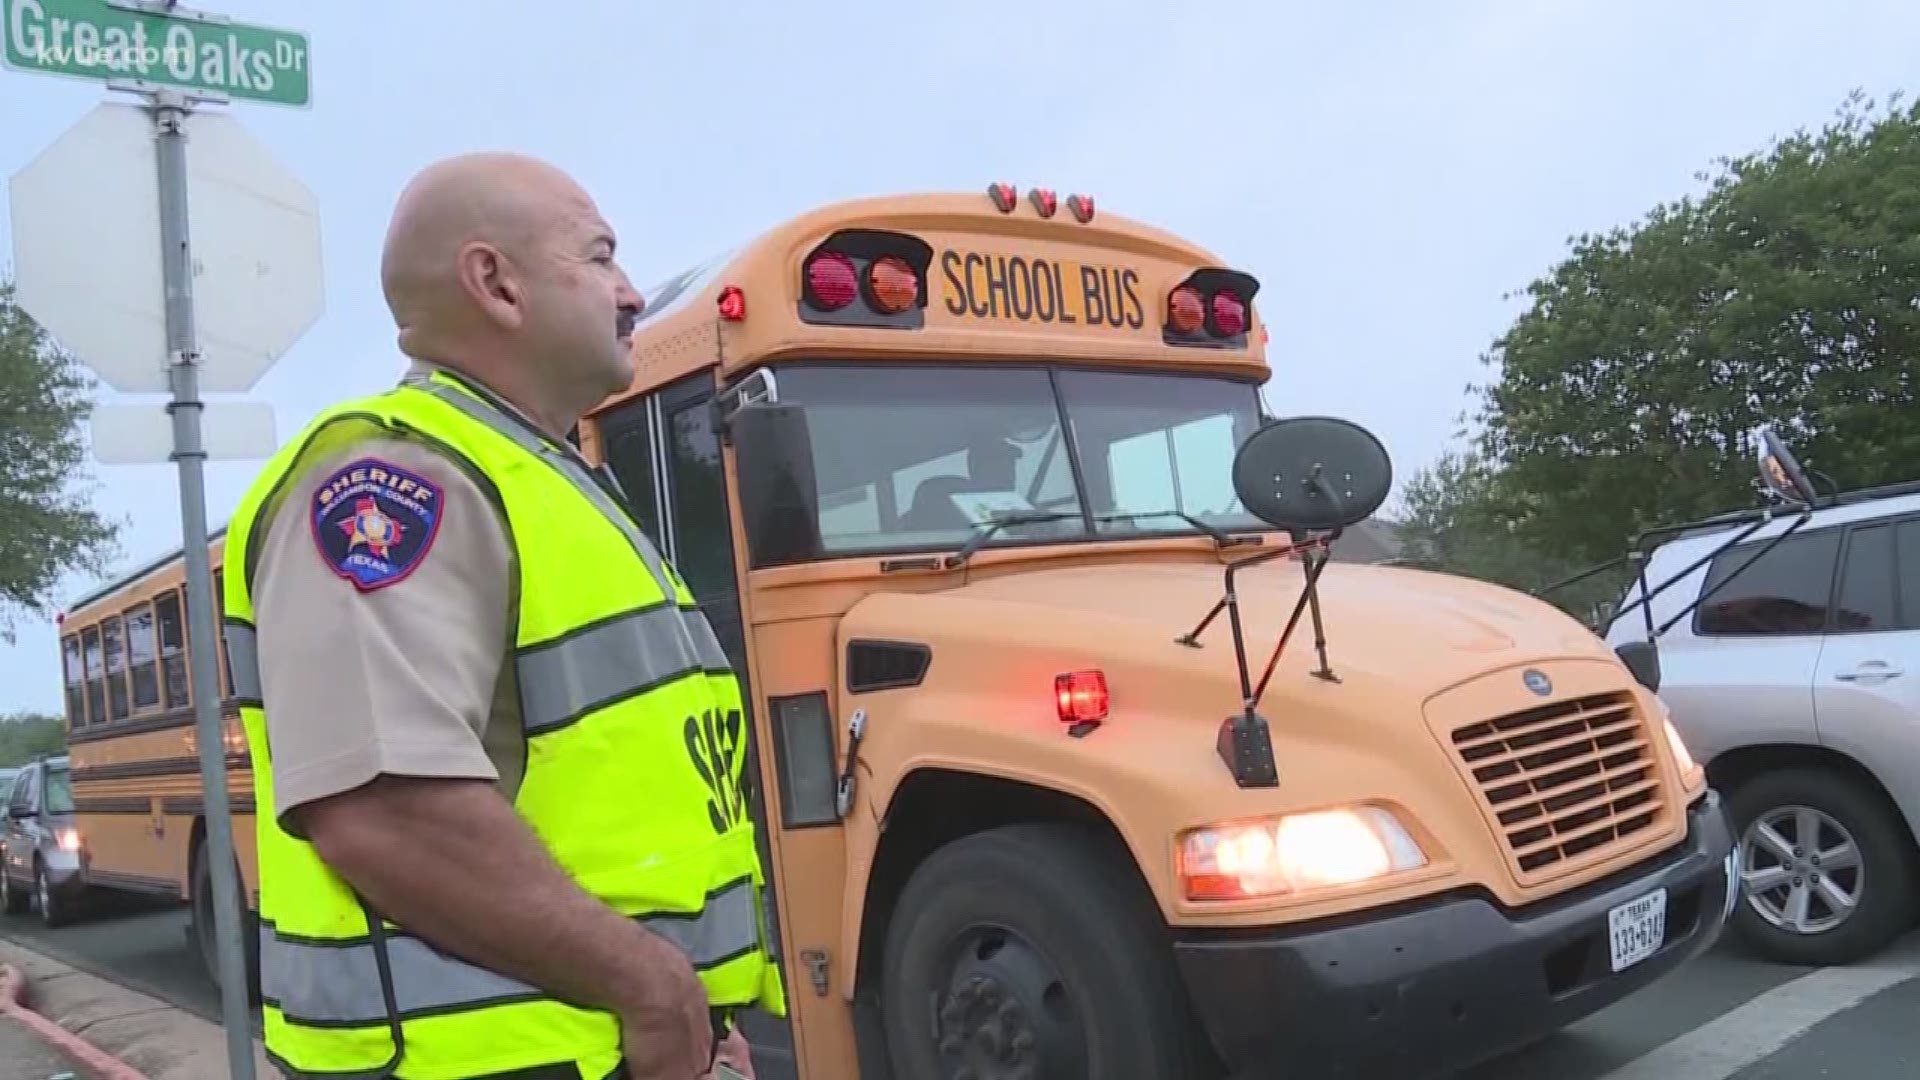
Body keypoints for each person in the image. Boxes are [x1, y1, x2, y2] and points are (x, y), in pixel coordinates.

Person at [217, 151, 784, 1080]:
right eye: (601, 257)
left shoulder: (543, 478)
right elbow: (386, 811)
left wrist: (698, 1013)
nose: (631, 292)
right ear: (496, 283)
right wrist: (656, 991)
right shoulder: (392, 481)